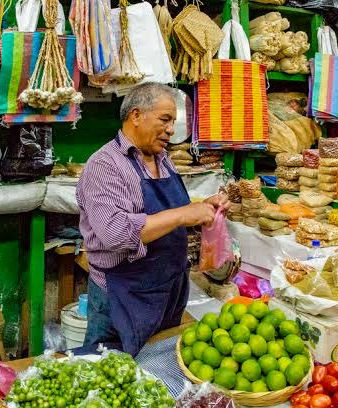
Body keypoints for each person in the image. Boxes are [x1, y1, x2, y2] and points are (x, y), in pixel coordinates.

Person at [76, 82, 230, 356]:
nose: (171, 129)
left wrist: (202, 209)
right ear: (136, 115)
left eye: (173, 121)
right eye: (165, 119)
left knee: (157, 371)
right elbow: (116, 233)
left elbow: (168, 214)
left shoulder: (162, 159)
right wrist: (182, 214)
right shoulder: (105, 165)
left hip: (167, 290)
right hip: (124, 297)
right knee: (110, 377)